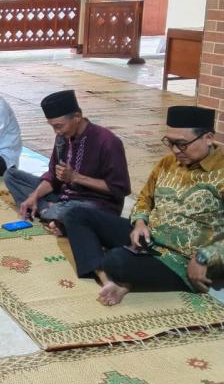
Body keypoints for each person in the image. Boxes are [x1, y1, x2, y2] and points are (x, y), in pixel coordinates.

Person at [63, 106, 224, 307]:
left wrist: (203, 256)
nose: (175, 150)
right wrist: (140, 223)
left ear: (208, 138)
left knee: (116, 260)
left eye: (182, 144)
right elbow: (144, 199)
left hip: (184, 260)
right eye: (170, 143)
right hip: (150, 239)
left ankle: (120, 274)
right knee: (76, 214)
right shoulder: (168, 162)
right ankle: (107, 279)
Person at [5, 90, 131, 234]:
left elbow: (120, 189)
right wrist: (34, 195)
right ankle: (49, 211)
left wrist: (75, 177)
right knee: (11, 175)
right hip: (64, 197)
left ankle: (51, 212)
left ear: (77, 117)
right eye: (53, 126)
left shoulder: (107, 141)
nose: (56, 132)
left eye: (59, 126)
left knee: (74, 211)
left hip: (96, 203)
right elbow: (53, 176)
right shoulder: (62, 137)